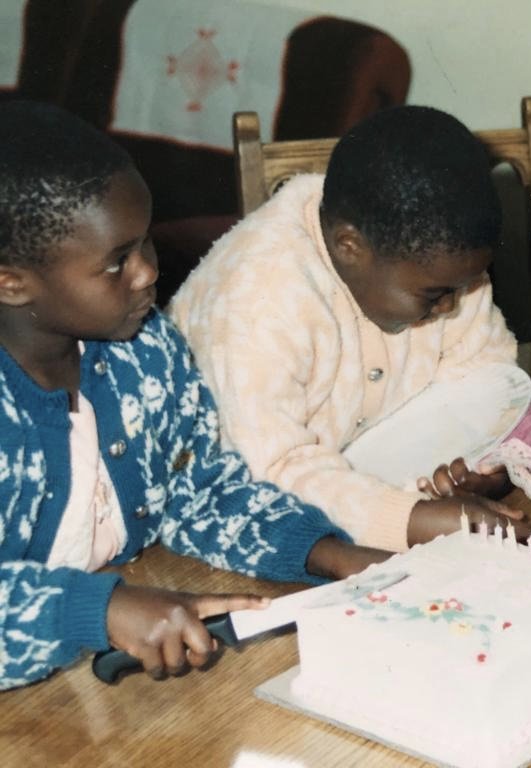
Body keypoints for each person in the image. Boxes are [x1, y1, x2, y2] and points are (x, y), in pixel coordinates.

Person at [0, 101, 390, 691]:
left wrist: (322, 551)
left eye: (145, 244)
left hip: (97, 685)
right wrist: (100, 610)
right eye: (116, 263)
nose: (147, 273)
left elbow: (201, 492)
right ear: (12, 282)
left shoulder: (145, 350)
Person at [169, 105, 531, 554]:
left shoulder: (431, 266)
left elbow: (487, 375)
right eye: (433, 295)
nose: (452, 306)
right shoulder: (256, 301)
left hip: (360, 480)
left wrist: (489, 466)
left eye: (463, 287)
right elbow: (268, 475)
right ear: (349, 246)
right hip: (238, 518)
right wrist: (411, 520)